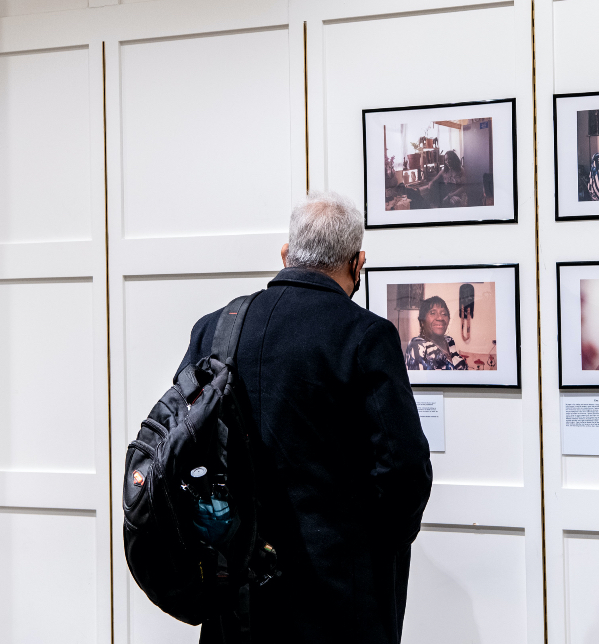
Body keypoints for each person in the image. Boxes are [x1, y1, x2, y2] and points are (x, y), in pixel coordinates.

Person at [175, 192, 433, 644]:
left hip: (234, 584)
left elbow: (185, 447)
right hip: (335, 593)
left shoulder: (214, 328)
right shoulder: (366, 335)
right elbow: (405, 470)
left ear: (285, 255)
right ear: (358, 263)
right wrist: (376, 549)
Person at [404, 296, 469, 370]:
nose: (440, 318)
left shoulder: (449, 341)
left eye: (444, 314)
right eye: (433, 313)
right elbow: (418, 380)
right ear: (422, 321)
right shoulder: (417, 345)